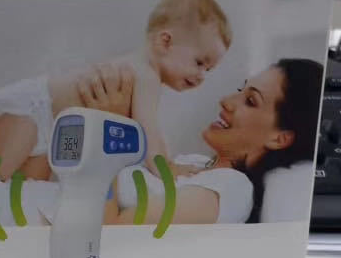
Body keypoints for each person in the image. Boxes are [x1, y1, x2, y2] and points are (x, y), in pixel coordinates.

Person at [0, 0, 232, 182]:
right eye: (199, 63)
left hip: (52, 130)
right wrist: (167, 167)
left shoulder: (145, 73)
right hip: (31, 107)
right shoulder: (146, 75)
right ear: (165, 42)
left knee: (28, 189)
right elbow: (148, 132)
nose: (202, 76)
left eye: (208, 69)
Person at [78, 57, 323, 225]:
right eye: (241, 90)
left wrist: (108, 130)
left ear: (279, 138)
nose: (226, 101)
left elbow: (109, 236)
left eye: (250, 101)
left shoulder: (231, 189)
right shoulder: (193, 162)